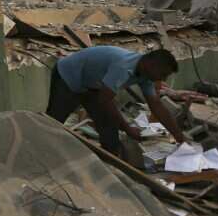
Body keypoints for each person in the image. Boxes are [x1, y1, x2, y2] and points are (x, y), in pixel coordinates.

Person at [45, 46, 187, 156]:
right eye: (162, 74)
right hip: (68, 75)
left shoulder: (146, 75)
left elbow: (157, 106)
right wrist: (128, 129)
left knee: (109, 126)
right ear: (151, 65)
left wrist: (179, 136)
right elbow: (106, 100)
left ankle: (111, 163)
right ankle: (39, 155)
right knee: (53, 122)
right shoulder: (123, 67)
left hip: (92, 84)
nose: (163, 79)